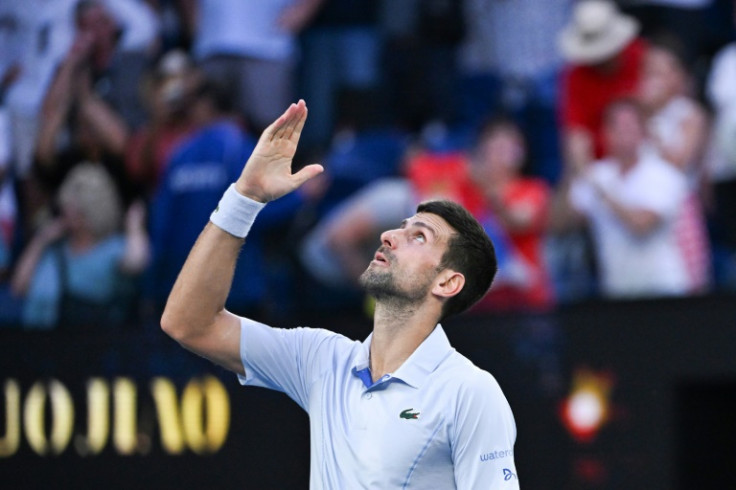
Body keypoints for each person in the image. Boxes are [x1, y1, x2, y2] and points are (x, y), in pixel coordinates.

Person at [161, 100, 519, 488]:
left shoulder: (470, 392)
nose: (387, 236)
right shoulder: (321, 359)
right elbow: (188, 323)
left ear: (447, 283)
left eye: (418, 236)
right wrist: (244, 198)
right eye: (400, 226)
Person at [560, 98, 692, 298]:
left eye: (630, 126)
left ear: (643, 132)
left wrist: (600, 189)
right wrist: (572, 168)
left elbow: (641, 225)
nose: (624, 133)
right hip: (616, 291)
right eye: (616, 127)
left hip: (664, 289)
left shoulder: (663, 174)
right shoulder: (597, 173)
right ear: (605, 133)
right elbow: (561, 223)